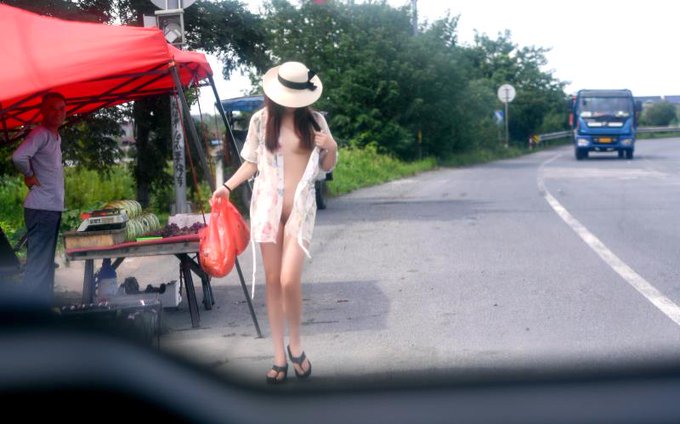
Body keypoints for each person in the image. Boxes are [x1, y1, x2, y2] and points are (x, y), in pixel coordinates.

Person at [212, 62, 338, 384]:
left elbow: (327, 166)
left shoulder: (316, 121)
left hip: (300, 211)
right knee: (272, 280)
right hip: (267, 209)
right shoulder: (261, 120)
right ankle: (279, 355)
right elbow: (251, 163)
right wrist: (227, 187)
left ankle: (296, 345)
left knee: (288, 279)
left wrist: (331, 146)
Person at [11, 92, 67, 305]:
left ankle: (41, 310)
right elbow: (18, 156)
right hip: (42, 208)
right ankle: (29, 313)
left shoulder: (55, 136)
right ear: (42, 110)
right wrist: (29, 175)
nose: (58, 113)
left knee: (45, 264)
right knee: (38, 265)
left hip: (50, 208)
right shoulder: (40, 133)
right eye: (53, 108)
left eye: (62, 108)